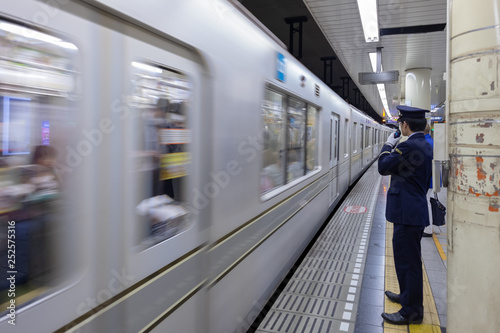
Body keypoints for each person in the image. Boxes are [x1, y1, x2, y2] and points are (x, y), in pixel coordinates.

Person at [378, 105, 433, 325]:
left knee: (407, 262)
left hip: (407, 214)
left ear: (405, 125)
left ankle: (411, 312)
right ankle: (407, 296)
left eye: (401, 123)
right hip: (412, 211)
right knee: (407, 261)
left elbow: (383, 166)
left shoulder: (409, 146)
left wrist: (389, 144)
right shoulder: (424, 143)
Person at [423, 124, 434, 237]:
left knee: (426, 202)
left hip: (428, 179)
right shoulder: (431, 141)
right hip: (431, 178)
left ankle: (428, 229)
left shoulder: (426, 144)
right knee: (427, 201)